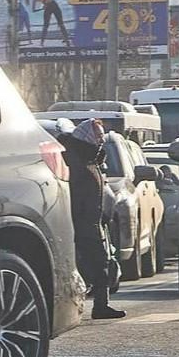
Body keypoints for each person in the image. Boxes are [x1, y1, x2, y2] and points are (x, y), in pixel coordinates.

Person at [58, 118, 126, 320]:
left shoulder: (91, 159)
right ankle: (88, 307)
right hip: (80, 224)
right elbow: (75, 196)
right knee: (93, 267)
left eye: (101, 135)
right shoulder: (75, 161)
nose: (101, 140)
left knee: (101, 266)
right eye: (97, 135)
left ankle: (100, 305)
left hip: (93, 223)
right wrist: (78, 223)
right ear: (86, 136)